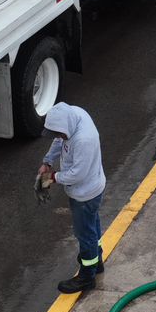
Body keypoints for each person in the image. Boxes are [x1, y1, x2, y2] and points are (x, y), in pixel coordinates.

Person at [39, 103, 107, 294]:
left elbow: (78, 174)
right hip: (91, 189)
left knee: (84, 235)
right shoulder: (73, 116)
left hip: (85, 195)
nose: (59, 137)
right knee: (92, 228)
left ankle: (87, 277)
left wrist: (53, 177)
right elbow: (58, 141)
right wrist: (47, 161)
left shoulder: (84, 140)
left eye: (60, 134)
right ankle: (97, 261)